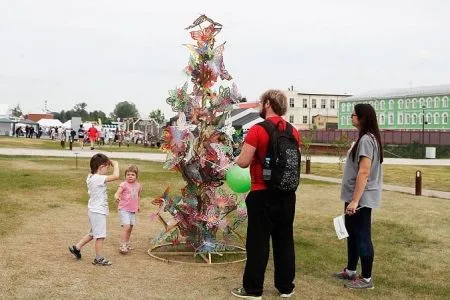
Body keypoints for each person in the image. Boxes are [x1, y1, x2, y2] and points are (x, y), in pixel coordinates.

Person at [231, 90, 300, 299]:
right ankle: (286, 286)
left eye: (261, 102)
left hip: (262, 192)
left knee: (258, 242)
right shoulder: (293, 131)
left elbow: (243, 161)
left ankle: (253, 289)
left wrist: (236, 158)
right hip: (287, 193)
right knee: (284, 240)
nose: (260, 105)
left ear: (268, 104)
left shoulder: (257, 130)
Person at [333, 103, 383, 289]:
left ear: (362, 118)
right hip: (353, 197)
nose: (351, 117)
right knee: (352, 233)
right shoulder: (365, 139)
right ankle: (351, 270)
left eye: (354, 115)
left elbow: (364, 171)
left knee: (362, 236)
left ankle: (366, 278)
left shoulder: (367, 141)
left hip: (360, 199)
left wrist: (355, 201)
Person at [69, 154, 120, 265]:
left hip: (94, 210)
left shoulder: (91, 176)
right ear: (101, 167)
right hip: (98, 211)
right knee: (100, 235)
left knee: (93, 233)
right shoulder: (97, 178)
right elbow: (116, 176)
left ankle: (77, 247)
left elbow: (94, 166)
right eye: (107, 167)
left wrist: (105, 161)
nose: (108, 170)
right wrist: (116, 164)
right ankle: (98, 258)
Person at [114, 165, 142, 254]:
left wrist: (138, 205)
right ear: (125, 176)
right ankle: (122, 245)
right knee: (126, 227)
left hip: (132, 210)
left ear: (136, 176)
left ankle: (126, 243)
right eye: (128, 174)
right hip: (123, 209)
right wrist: (117, 197)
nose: (130, 176)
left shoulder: (138, 185)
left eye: (132, 174)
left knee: (130, 228)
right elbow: (117, 193)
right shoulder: (123, 184)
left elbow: (138, 196)